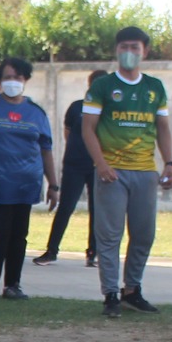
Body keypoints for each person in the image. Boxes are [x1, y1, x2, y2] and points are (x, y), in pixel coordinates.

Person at [84, 27, 172, 318]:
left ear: (145, 51)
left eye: (135, 47)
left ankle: (132, 290)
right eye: (124, 46)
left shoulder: (155, 88)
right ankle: (111, 293)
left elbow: (163, 129)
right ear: (116, 50)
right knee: (109, 236)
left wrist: (170, 163)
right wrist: (101, 164)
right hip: (112, 172)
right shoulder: (102, 86)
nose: (130, 52)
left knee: (144, 234)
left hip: (145, 172)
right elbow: (88, 128)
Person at [0, 57, 56, 302]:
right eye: (7, 77)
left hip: (27, 184)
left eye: (17, 77)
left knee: (19, 236)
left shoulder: (36, 113)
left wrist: (54, 184)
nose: (12, 82)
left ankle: (13, 285)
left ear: (25, 80)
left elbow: (46, 149)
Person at [35, 70, 106, 268]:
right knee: (65, 208)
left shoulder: (109, 109)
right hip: (74, 165)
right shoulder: (76, 107)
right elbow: (68, 134)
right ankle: (51, 251)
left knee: (97, 210)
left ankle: (93, 253)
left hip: (97, 166)